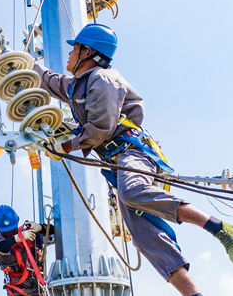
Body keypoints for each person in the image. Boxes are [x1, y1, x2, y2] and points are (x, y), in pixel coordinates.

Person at [33, 23, 233, 296]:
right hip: (118, 163)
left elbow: (101, 128)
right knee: (146, 238)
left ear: (87, 51)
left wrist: (65, 146)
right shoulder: (76, 87)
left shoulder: (103, 80)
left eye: (74, 47)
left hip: (133, 153)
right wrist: (12, 61)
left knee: (133, 191)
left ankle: (219, 228)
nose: (69, 54)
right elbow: (48, 80)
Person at [0, 205, 54, 296]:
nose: (10, 232)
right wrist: (16, 238)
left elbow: (56, 232)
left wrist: (40, 228)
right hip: (18, 292)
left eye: (12, 230)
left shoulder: (29, 234)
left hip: (38, 288)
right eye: (6, 231)